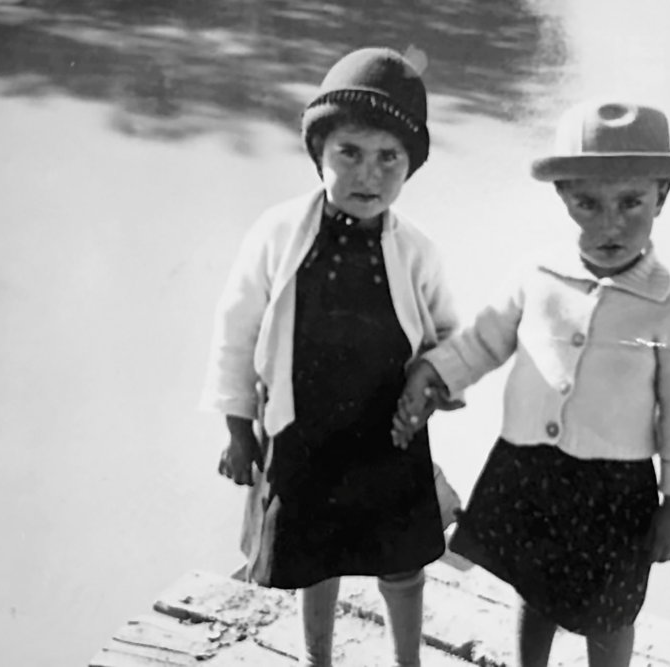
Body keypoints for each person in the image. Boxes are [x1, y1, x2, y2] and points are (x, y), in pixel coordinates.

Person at [392, 100, 670, 667]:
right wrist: (434, 372)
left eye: (631, 202)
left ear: (663, 196)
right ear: (562, 195)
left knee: (610, 611)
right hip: (532, 471)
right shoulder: (535, 273)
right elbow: (483, 341)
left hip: (616, 490)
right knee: (534, 588)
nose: (610, 223)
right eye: (588, 203)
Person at [200, 47, 460, 667]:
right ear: (318, 152)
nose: (368, 175)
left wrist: (432, 383)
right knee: (316, 562)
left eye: (388, 158)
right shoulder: (276, 233)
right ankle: (317, 658)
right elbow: (235, 332)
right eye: (349, 153)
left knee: (402, 565)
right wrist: (239, 429)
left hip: (388, 438)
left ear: (409, 167)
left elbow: (450, 337)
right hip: (305, 432)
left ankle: (408, 661)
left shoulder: (417, 250)